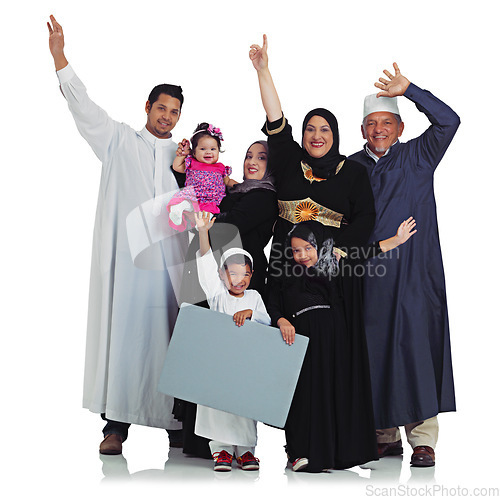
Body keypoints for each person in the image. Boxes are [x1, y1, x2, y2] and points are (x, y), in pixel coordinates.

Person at [47, 15, 187, 455]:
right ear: (147, 107)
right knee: (124, 339)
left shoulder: (183, 155)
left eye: (175, 112)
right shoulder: (118, 141)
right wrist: (60, 58)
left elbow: (214, 193)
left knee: (172, 336)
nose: (167, 117)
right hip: (125, 266)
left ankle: (176, 422)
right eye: (161, 108)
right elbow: (83, 107)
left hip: (168, 269)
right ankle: (116, 426)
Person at [249, 35, 378, 470]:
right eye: (311, 129)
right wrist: (263, 70)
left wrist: (332, 256)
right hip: (287, 276)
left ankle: (339, 446)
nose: (316, 135)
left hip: (334, 283)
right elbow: (275, 118)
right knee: (293, 361)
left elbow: (364, 224)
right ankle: (300, 446)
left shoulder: (353, 174)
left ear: (336, 135)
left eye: (325, 129)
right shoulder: (287, 162)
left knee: (334, 361)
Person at [349, 63, 460, 467]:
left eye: (387, 122)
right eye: (371, 123)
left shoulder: (418, 155)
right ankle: (383, 434)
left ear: (399, 126)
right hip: (369, 276)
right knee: (373, 348)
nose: (379, 129)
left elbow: (449, 121)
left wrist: (410, 89)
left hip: (415, 273)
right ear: (362, 130)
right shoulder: (350, 168)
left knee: (416, 347)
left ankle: (423, 439)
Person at [267, 218, 416, 472]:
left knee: (332, 394)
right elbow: (272, 300)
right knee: (302, 397)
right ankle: (299, 452)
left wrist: (397, 240)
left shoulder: (335, 262)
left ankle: (333, 453)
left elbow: (366, 253)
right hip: (299, 342)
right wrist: (281, 320)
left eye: (307, 248)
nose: (301, 255)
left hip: (334, 341)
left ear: (319, 246)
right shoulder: (285, 272)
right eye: (295, 250)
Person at [173, 140, 277, 459]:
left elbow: (226, 223)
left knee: (233, 365)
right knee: (206, 355)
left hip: (240, 282)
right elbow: (197, 194)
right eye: (248, 155)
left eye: (261, 157)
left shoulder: (264, 197)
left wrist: (211, 202)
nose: (252, 161)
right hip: (208, 273)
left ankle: (237, 443)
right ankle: (200, 439)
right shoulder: (234, 190)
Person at [193, 211, 271, 472]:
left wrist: (251, 313)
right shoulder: (217, 297)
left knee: (244, 407)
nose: (240, 280)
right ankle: (222, 451)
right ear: (222, 274)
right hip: (219, 363)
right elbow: (204, 265)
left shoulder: (255, 297)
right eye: (234, 273)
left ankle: (247, 452)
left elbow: (267, 322)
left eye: (246, 274)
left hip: (246, 363)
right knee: (220, 407)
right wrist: (203, 232)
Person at [168, 122, 235, 230]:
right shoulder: (192, 163)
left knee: (208, 214)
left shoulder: (220, 167)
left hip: (210, 199)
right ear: (194, 152)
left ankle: (203, 225)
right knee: (184, 201)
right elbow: (177, 167)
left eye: (213, 149)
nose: (208, 152)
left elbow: (227, 181)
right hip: (193, 194)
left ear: (218, 151)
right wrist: (182, 155)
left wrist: (239, 185)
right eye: (203, 149)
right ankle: (177, 211)